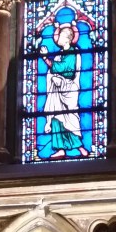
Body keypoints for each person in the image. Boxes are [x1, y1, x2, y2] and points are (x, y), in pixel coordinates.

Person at [40, 22, 89, 159]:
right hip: (57, 90)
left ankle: (80, 147)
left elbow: (63, 68)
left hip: (69, 89)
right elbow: (53, 71)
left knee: (71, 119)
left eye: (60, 36)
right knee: (56, 118)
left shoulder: (72, 52)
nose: (57, 38)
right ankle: (60, 149)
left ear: (68, 38)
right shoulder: (59, 54)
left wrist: (45, 58)